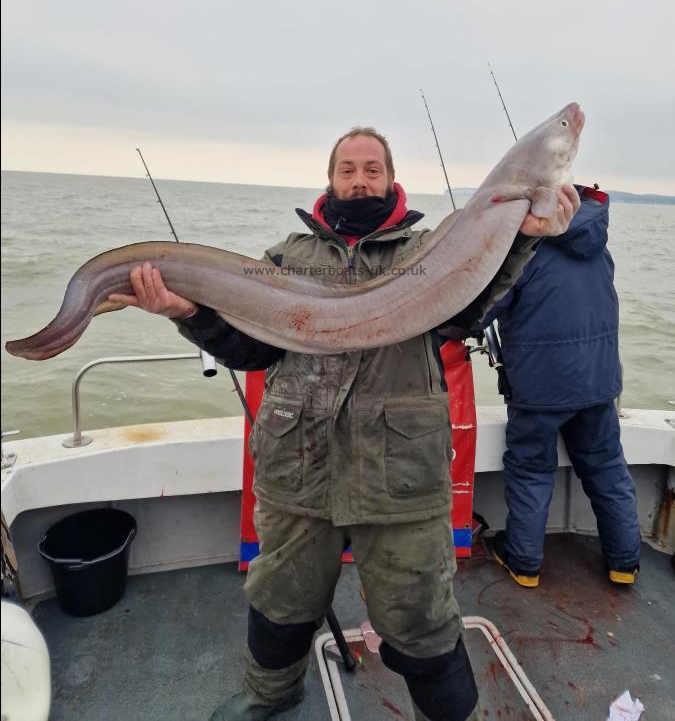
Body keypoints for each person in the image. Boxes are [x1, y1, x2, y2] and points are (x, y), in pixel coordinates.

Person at [109, 129, 579, 721]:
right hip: (298, 470)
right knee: (280, 600)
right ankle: (270, 696)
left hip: (401, 475)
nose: (361, 180)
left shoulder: (428, 251)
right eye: (349, 169)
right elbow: (251, 352)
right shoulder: (281, 261)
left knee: (422, 617)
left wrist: (517, 240)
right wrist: (189, 312)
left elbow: (465, 311)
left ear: (391, 178)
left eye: (373, 170)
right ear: (330, 179)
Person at [481, 185, 641, 589]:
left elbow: (482, 309)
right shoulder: (598, 246)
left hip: (538, 390)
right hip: (600, 384)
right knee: (607, 468)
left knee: (532, 470)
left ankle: (525, 564)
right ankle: (624, 563)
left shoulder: (525, 252)